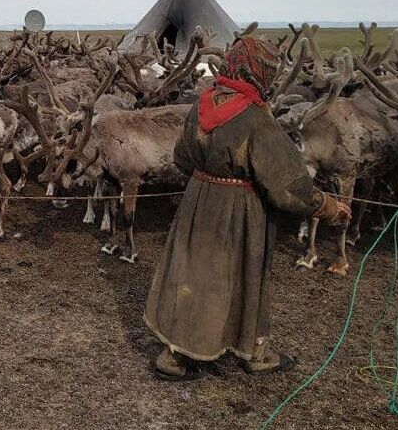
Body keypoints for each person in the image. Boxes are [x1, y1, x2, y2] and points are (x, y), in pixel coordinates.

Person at [144, 35, 351, 381]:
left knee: (190, 273)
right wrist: (328, 207)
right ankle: (255, 353)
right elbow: (288, 185)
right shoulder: (257, 119)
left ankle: (174, 356)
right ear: (259, 73)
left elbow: (181, 157)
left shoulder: (202, 102)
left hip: (197, 201)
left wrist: (207, 178)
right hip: (239, 211)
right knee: (242, 276)